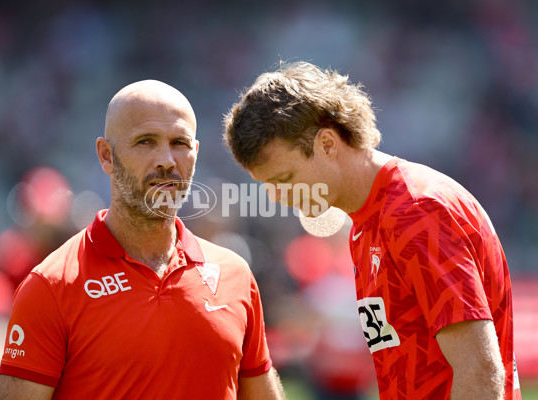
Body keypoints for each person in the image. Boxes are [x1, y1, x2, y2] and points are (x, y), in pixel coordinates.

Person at [223, 61, 521, 400]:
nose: (276, 196)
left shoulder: (416, 212)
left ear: (327, 144)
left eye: (284, 178)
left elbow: (480, 375)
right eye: (267, 185)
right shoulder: (365, 224)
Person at [0, 80, 285, 400]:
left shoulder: (235, 275)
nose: (166, 160)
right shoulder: (51, 286)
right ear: (107, 156)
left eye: (179, 143)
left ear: (195, 154)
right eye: (145, 142)